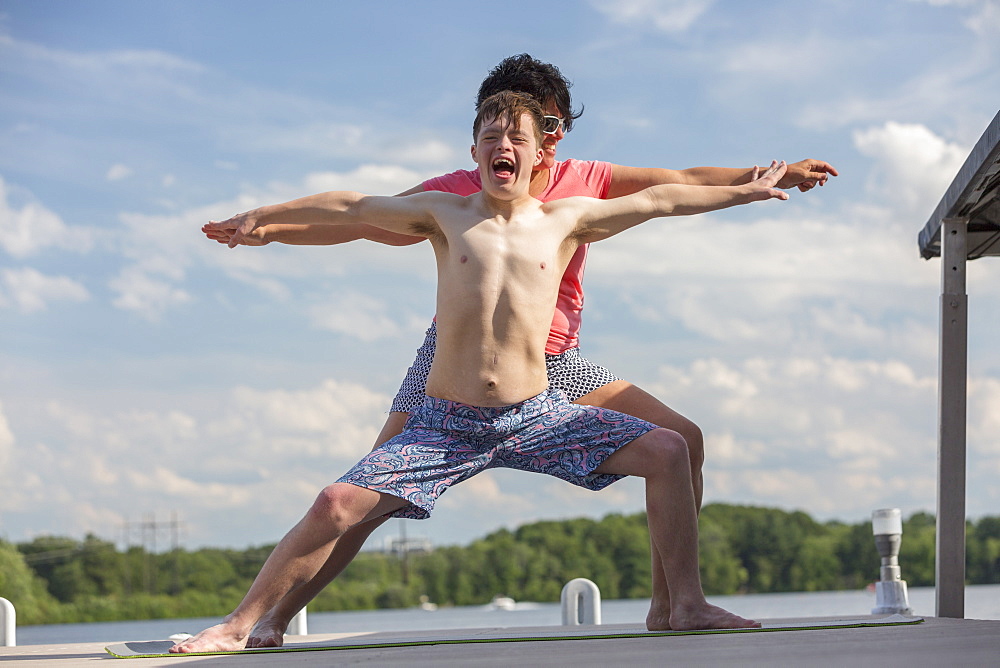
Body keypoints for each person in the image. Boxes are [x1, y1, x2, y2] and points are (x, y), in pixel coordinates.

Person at [202, 55, 837, 644]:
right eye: (499, 130)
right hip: (452, 362)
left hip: (554, 368)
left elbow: (673, 188)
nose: (528, 141)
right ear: (478, 139)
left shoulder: (582, 189)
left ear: (551, 134)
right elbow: (359, 217)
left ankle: (675, 605)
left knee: (680, 441)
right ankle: (270, 615)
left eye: (546, 127)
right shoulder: (456, 195)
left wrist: (761, 178)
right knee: (358, 497)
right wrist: (271, 226)